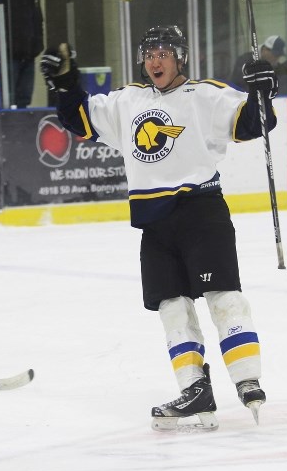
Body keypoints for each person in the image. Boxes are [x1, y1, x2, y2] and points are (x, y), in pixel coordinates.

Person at [40, 25, 274, 431]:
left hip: (201, 211)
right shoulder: (128, 101)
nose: (154, 60)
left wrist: (263, 89)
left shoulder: (206, 95)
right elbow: (79, 118)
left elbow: (254, 123)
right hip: (154, 222)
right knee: (172, 307)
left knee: (223, 297)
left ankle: (247, 377)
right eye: (149, 53)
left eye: (163, 52)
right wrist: (64, 83)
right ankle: (194, 389)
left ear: (180, 57)